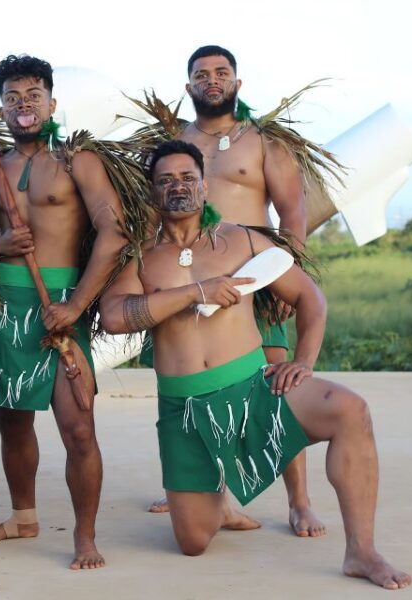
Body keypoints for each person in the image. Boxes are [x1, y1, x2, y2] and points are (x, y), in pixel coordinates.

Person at [99, 141, 411, 589]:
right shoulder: (142, 255)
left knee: (351, 411)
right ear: (152, 192)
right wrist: (194, 292)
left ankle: (362, 552)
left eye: (187, 178)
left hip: (250, 388)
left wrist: (302, 362)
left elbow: (310, 299)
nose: (178, 187)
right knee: (192, 541)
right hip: (184, 409)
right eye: (165, 181)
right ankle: (218, 503)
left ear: (204, 186)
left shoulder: (242, 240)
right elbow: (113, 316)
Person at [0, 54, 128, 570]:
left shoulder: (78, 162)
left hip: (61, 304)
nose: (23, 106)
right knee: (13, 419)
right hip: (8, 302)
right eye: (12, 98)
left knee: (78, 426)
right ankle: (24, 516)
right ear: (0, 107)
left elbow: (114, 232)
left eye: (33, 97)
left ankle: (86, 537)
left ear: (51, 102)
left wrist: (76, 304)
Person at [146, 45, 326, 537]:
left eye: (221, 72)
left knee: (278, 382)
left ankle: (300, 501)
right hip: (188, 273)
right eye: (201, 74)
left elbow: (292, 212)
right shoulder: (174, 144)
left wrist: (286, 274)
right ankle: (202, 489)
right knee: (196, 377)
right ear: (188, 88)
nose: (212, 80)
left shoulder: (265, 143)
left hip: (255, 271)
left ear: (237, 84)